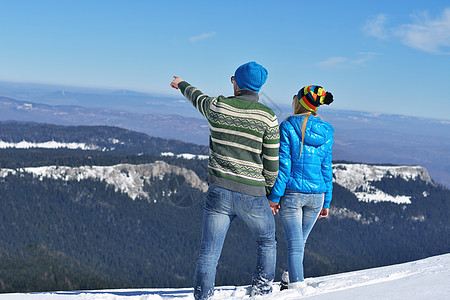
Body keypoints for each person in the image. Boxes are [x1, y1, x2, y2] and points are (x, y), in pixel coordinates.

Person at [170, 61, 280, 299]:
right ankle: (261, 292)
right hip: (253, 193)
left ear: (236, 83)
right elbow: (272, 164)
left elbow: (196, 96)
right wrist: (270, 194)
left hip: (219, 190)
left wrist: (180, 84)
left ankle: (203, 296)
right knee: (266, 242)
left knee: (208, 252)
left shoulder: (218, 106)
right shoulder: (268, 117)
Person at [267, 85, 334, 290]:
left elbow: (283, 166)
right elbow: (326, 168)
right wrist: (327, 200)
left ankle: (297, 288)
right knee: (299, 243)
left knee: (296, 244)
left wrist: (274, 197)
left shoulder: (287, 126)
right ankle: (288, 278)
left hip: (293, 194)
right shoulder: (327, 130)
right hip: (317, 195)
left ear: (299, 102)